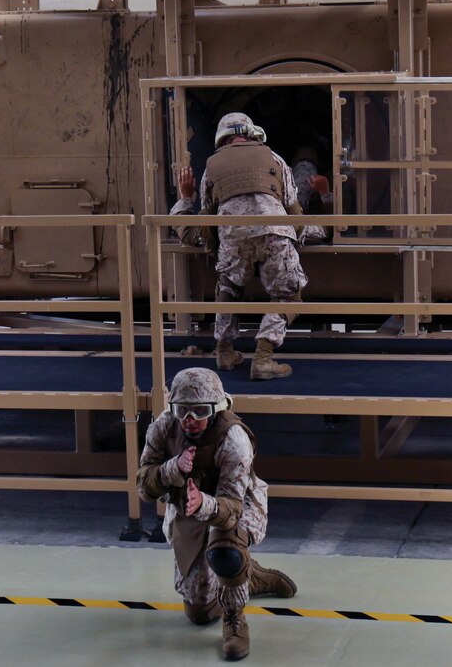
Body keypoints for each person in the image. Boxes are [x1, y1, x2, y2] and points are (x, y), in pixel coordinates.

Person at [137, 367, 297, 661]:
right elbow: (144, 489)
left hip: (236, 505)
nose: (190, 420)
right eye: (182, 410)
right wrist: (173, 469)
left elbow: (232, 509)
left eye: (200, 411)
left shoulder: (234, 440)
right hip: (189, 509)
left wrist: (204, 504)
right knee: (198, 612)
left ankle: (235, 619)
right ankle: (254, 577)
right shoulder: (163, 427)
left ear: (217, 408)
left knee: (226, 551)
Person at [172, 112, 307, 380]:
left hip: (232, 238)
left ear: (221, 139)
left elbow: (206, 221)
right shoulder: (274, 158)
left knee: (228, 289)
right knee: (288, 294)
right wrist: (297, 238)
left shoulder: (211, 166)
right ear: (251, 133)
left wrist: (186, 201)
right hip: (274, 234)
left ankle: (224, 352)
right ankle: (264, 359)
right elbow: (295, 212)